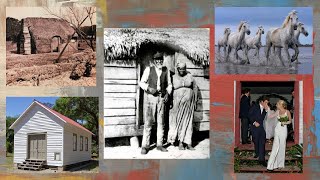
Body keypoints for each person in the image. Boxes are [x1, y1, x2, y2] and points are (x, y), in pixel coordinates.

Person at [139, 52, 172, 155]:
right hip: (151, 98)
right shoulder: (149, 69)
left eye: (161, 60)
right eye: (157, 60)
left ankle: (159, 144)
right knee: (148, 122)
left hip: (161, 98)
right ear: (154, 61)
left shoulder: (166, 71)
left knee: (161, 122)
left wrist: (167, 93)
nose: (159, 61)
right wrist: (149, 88)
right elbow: (141, 83)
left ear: (163, 60)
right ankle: (145, 146)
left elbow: (170, 85)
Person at [168, 62, 197, 150]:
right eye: (180, 69)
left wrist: (195, 101)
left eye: (183, 69)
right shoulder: (173, 78)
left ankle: (188, 143)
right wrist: (170, 102)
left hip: (189, 105)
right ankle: (180, 143)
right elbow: (169, 90)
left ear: (185, 68)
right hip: (177, 104)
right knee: (179, 122)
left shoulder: (190, 76)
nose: (182, 70)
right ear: (177, 69)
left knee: (188, 122)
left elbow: (195, 88)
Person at [267, 100, 292, 171]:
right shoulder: (277, 112)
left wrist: (285, 122)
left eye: (277, 104)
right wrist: (268, 109)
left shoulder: (287, 112)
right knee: (275, 146)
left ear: (281, 105)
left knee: (282, 146)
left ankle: (280, 164)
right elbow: (270, 116)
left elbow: (290, 121)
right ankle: (271, 165)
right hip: (277, 129)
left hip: (283, 130)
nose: (276, 105)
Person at [248, 96, 269, 167]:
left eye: (267, 103)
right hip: (254, 128)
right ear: (262, 102)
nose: (267, 104)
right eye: (266, 102)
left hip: (262, 129)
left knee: (262, 143)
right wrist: (254, 122)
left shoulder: (265, 109)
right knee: (256, 141)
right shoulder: (254, 106)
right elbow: (249, 115)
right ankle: (257, 152)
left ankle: (262, 159)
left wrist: (266, 111)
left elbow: (263, 118)